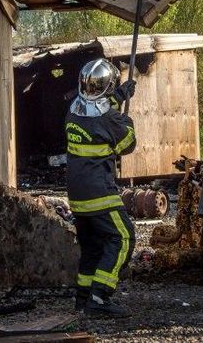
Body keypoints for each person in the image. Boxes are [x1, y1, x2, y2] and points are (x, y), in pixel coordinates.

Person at [65, 58, 137, 318]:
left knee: (93, 246)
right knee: (124, 237)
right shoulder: (110, 119)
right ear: (106, 87)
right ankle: (100, 297)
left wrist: (118, 95)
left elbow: (96, 108)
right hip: (100, 194)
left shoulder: (72, 111)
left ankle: (83, 298)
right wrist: (126, 120)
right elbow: (128, 144)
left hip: (77, 196)